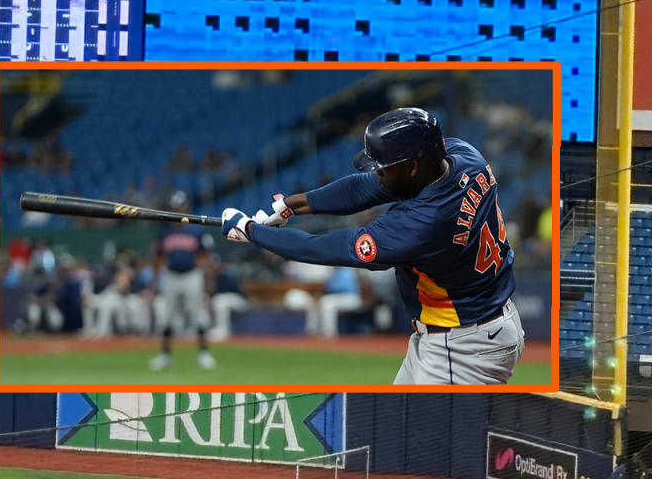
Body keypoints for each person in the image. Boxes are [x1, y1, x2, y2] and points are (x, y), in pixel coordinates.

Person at [222, 107, 523, 385]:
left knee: (430, 440)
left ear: (413, 167)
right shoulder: (464, 156)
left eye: (384, 167)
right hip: (473, 329)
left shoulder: (422, 225)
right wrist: (290, 206)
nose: (378, 172)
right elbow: (363, 188)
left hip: (464, 347)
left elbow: (320, 247)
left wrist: (252, 231)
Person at [150, 190, 216, 371]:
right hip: (171, 276)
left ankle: (204, 353)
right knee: (167, 315)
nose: (178, 210)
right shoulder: (165, 231)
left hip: (191, 275)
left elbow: (204, 257)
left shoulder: (196, 229)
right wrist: (155, 282)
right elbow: (159, 258)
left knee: (197, 314)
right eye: (175, 207)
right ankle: (165, 355)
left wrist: (208, 279)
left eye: (181, 207)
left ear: (187, 208)